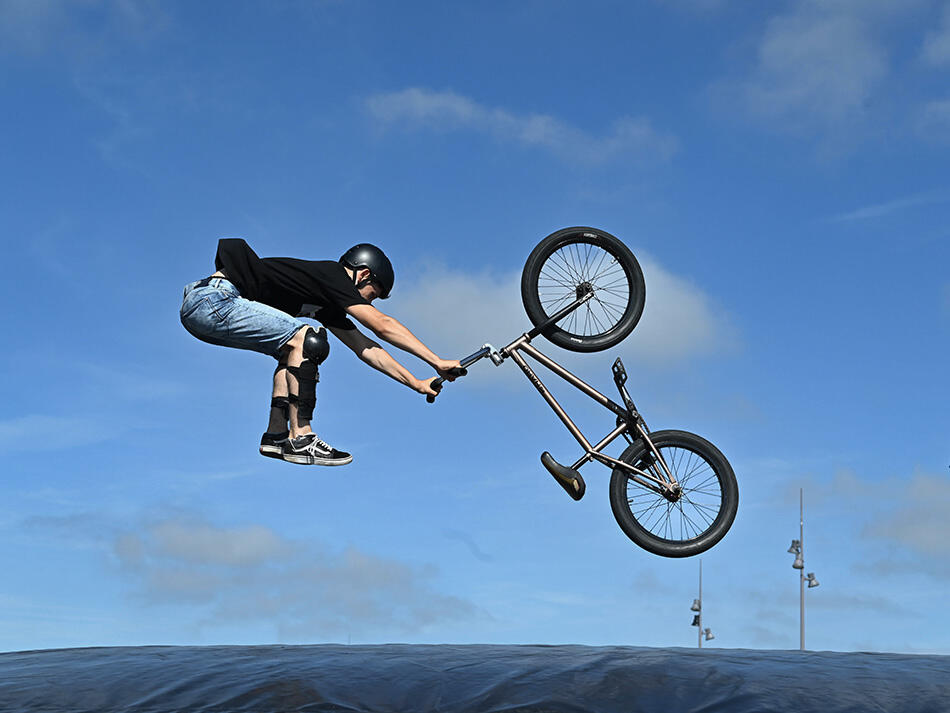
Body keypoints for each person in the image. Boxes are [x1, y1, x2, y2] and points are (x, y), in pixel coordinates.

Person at [180, 238, 461, 466]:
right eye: (371, 296)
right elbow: (382, 326)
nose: (369, 303)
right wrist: (436, 361)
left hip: (205, 309)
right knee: (308, 339)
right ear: (363, 275)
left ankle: (276, 436)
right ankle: (301, 437)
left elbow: (366, 348)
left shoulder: (325, 304)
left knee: (291, 349)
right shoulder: (333, 275)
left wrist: (416, 383)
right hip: (215, 299)